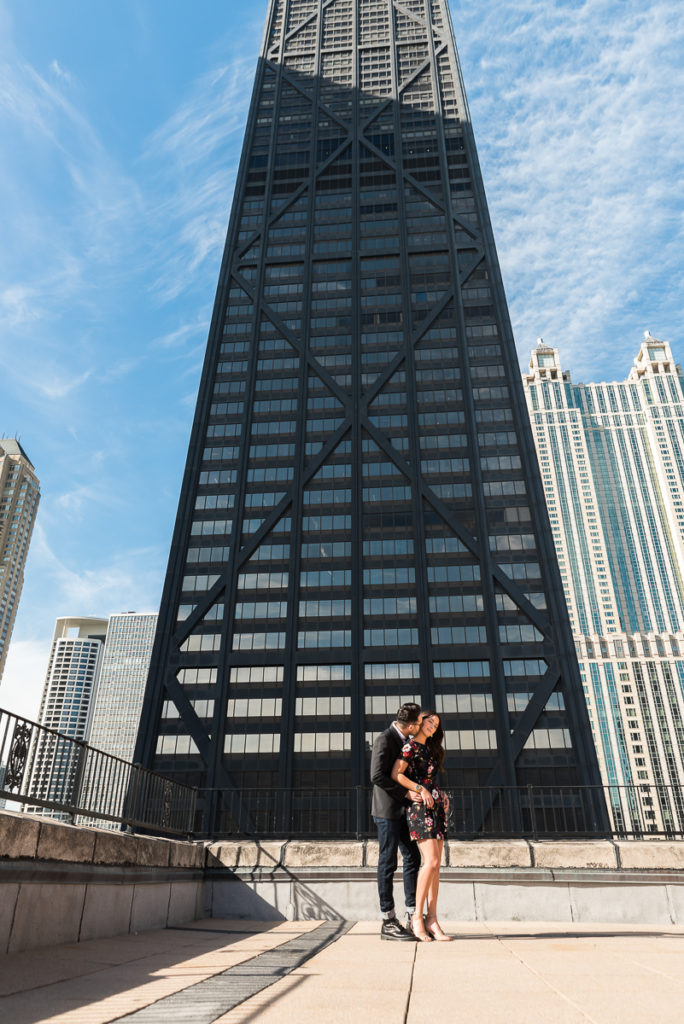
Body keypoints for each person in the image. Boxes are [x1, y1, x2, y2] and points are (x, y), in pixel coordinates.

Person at [391, 711, 453, 942]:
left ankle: (433, 919)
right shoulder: (409, 747)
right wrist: (419, 790)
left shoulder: (431, 750)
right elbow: (397, 774)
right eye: (430, 721)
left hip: (435, 805)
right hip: (419, 807)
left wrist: (441, 794)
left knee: (437, 866)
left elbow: (431, 779)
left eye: (436, 724)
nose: (433, 726)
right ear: (419, 722)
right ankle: (417, 916)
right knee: (431, 862)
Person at [370, 702, 425, 941]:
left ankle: (413, 914)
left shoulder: (408, 740)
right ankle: (388, 920)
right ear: (412, 725)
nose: (421, 727)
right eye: (419, 724)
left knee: (413, 856)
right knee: (388, 861)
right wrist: (404, 794)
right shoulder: (385, 739)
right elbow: (376, 775)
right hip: (387, 811)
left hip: (404, 811)